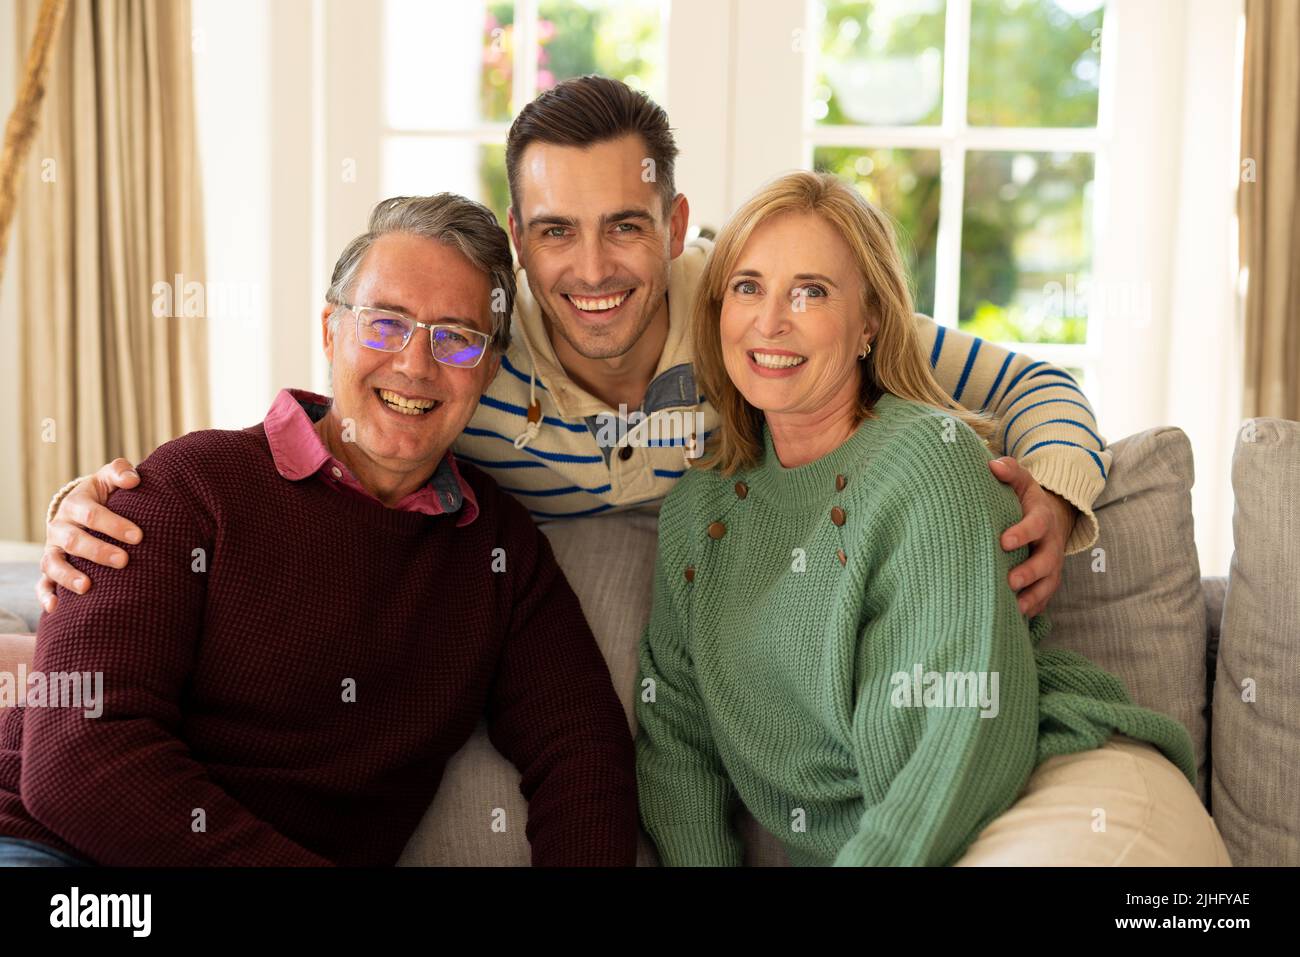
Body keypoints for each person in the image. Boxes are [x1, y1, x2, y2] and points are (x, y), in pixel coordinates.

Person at [38, 76, 1103, 621]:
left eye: (625, 227)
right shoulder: (461, 365)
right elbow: (311, 452)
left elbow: (1032, 380)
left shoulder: (755, 318)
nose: (591, 270)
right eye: (554, 231)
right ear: (516, 238)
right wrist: (100, 503)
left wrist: (1053, 491)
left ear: (680, 225)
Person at [0, 194, 637, 867]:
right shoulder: (187, 485)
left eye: (456, 337)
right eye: (385, 323)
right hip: (54, 851)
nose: (416, 366)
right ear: (331, 331)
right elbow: (76, 759)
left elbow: (582, 751)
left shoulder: (499, 549)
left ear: (487, 368)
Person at [634, 170, 1231, 867]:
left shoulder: (927, 460)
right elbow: (675, 741)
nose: (771, 321)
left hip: (1049, 798)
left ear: (871, 321)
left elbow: (964, 726)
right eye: (747, 286)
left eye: (812, 291)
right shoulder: (697, 512)